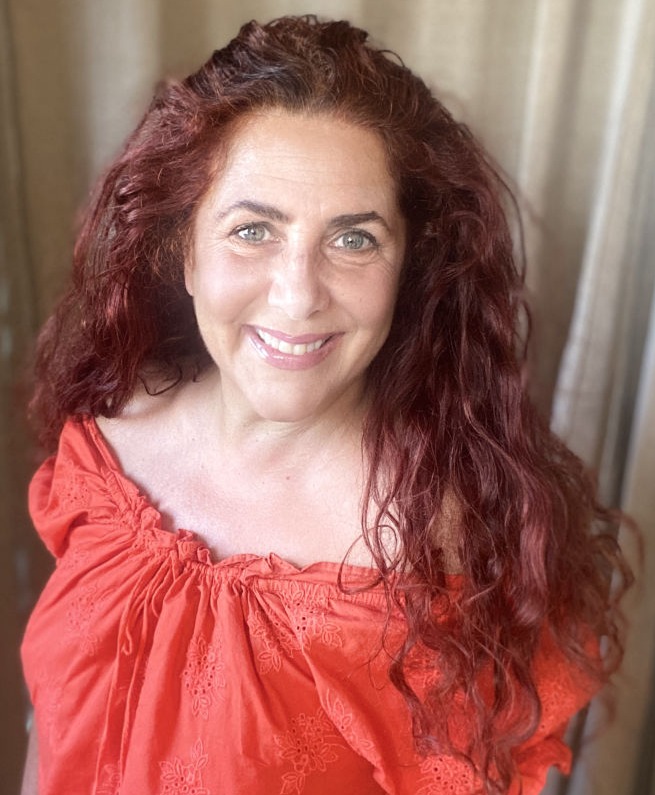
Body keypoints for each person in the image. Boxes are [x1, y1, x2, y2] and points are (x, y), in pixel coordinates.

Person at [20, 15, 631, 795]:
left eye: (353, 240)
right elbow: (55, 729)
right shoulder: (108, 439)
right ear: (183, 251)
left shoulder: (438, 550)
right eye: (252, 230)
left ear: (408, 268)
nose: (298, 294)